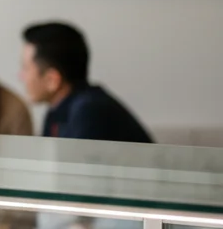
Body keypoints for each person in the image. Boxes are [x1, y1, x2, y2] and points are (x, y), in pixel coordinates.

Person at [20, 21, 153, 142]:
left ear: (52, 80)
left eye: (25, 69)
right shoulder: (57, 111)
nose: (21, 77)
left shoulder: (89, 112)